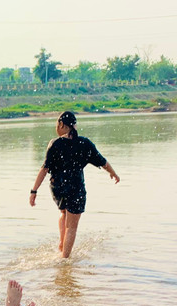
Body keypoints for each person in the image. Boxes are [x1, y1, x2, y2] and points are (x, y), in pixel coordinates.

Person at [29, 111, 120, 259]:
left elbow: (44, 169)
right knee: (72, 226)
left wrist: (34, 191)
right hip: (76, 188)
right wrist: (113, 173)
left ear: (61, 124)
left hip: (58, 188)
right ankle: (65, 259)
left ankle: (62, 244)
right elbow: (103, 161)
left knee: (64, 213)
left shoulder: (55, 144)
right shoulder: (84, 143)